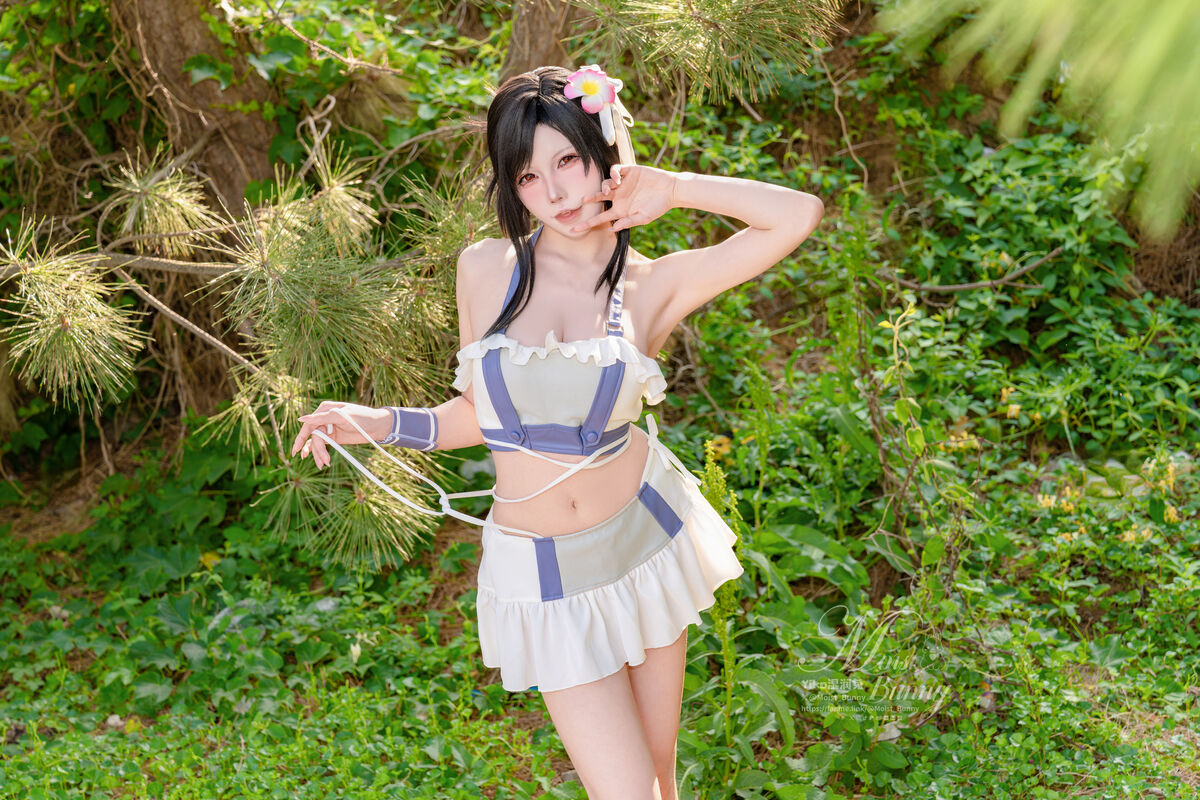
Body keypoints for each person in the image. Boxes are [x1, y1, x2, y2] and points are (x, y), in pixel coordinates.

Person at [291, 64, 823, 800]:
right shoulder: (485, 270)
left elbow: (797, 214)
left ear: (605, 150)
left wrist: (672, 187)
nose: (557, 193)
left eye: (569, 160)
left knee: (661, 780)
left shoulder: (652, 284)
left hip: (643, 542)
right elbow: (479, 418)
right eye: (529, 177)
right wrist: (378, 423)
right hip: (544, 574)